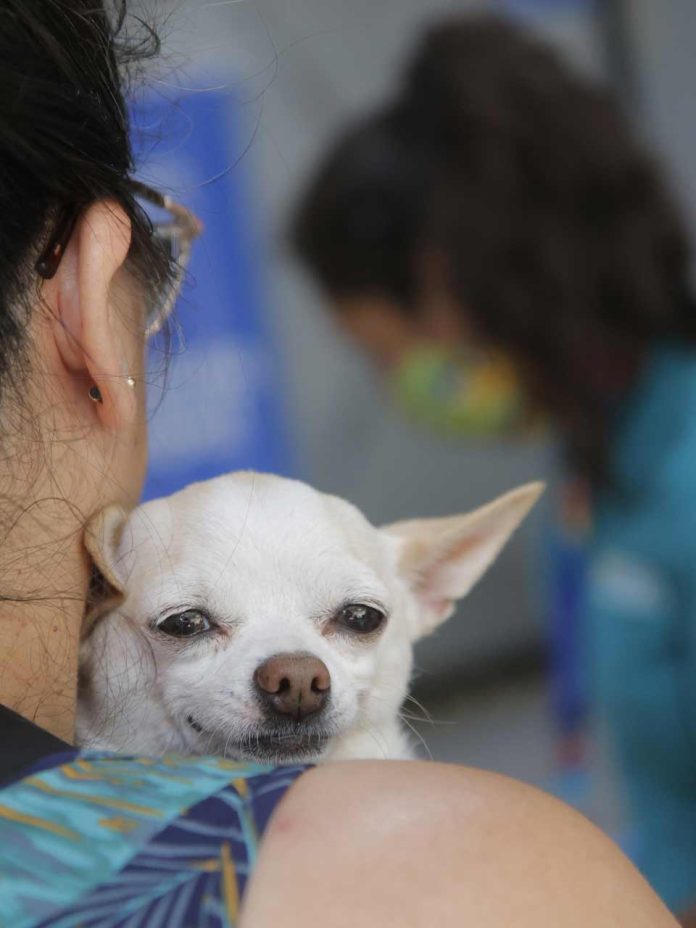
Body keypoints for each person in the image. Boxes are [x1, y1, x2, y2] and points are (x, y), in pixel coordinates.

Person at [0, 3, 677, 926]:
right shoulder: (472, 873)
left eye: (355, 620)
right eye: (189, 621)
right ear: (83, 300)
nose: (296, 675)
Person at [291, 12, 696, 922]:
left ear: (454, 286)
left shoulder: (684, 471)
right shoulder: (597, 467)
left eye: (389, 355)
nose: (400, 390)